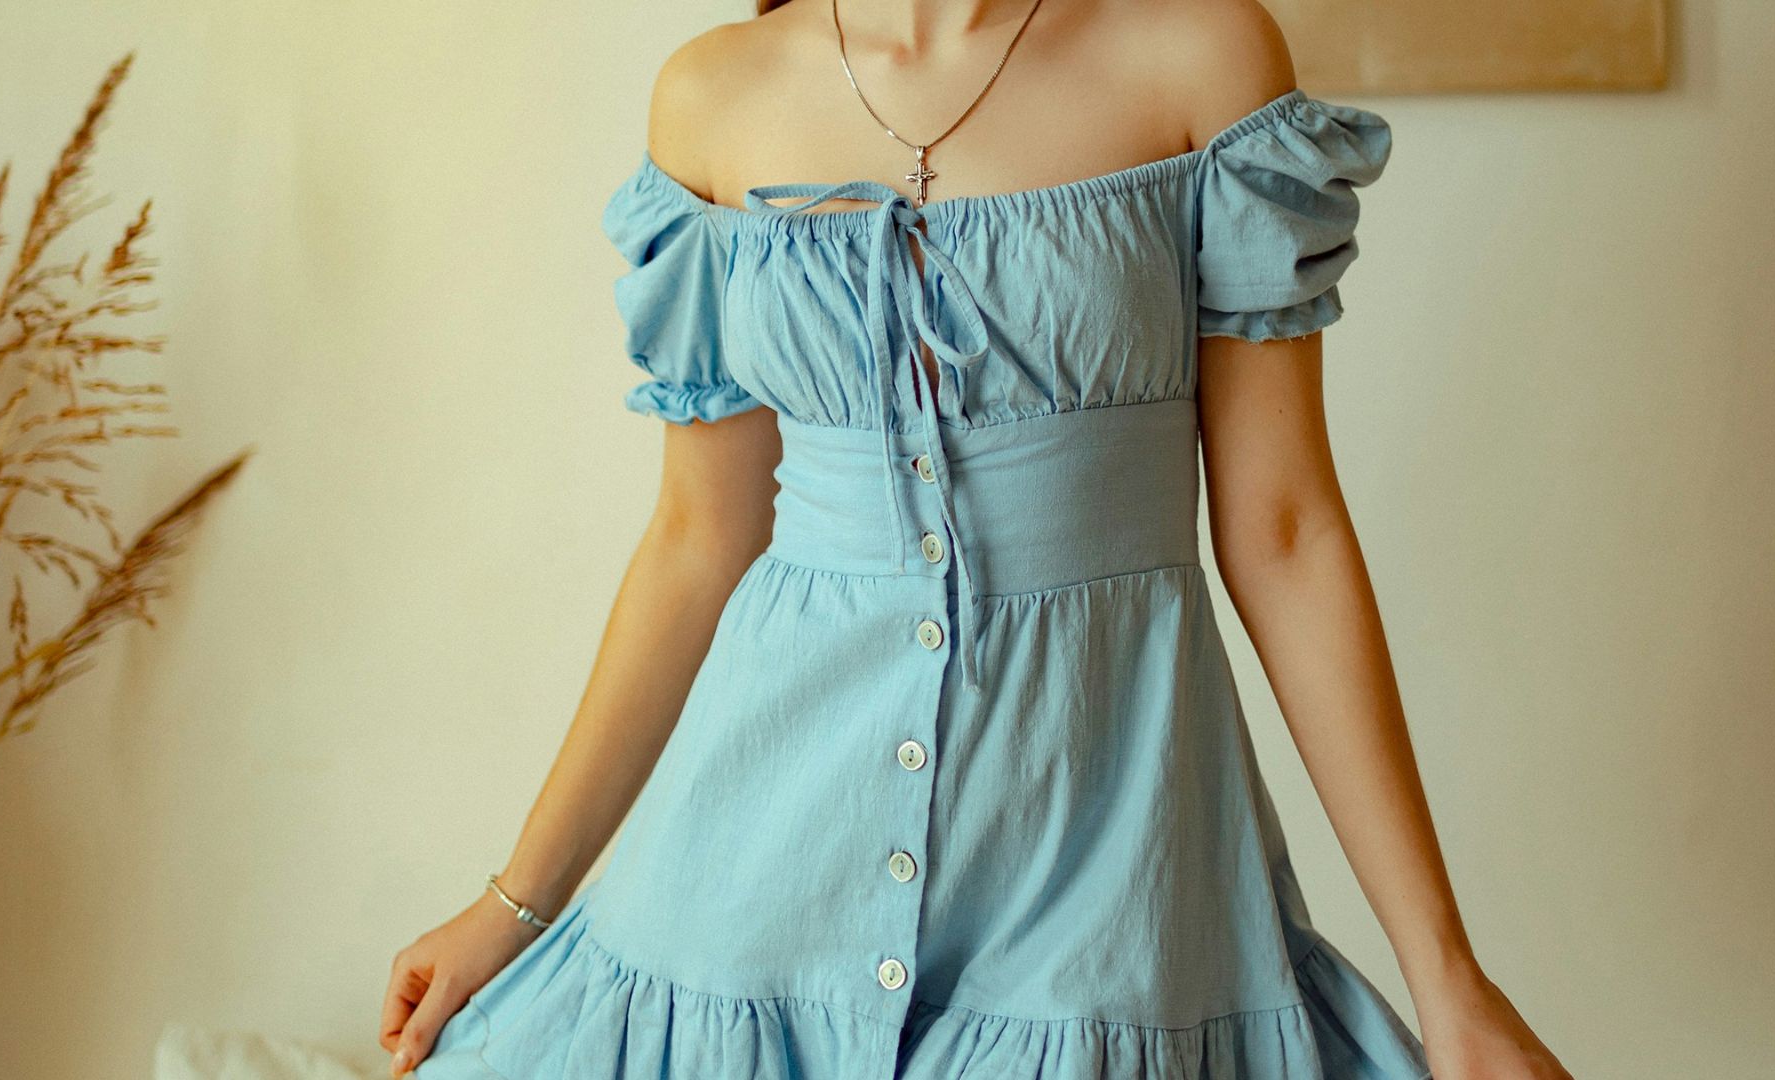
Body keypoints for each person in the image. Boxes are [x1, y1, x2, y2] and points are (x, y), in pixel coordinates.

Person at [382, 1, 1574, 1077]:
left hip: (1104, 853)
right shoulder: (713, 94)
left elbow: (1284, 530)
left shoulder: (1201, 57)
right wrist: (516, 903)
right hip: (759, 866)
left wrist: (1448, 980)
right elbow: (699, 538)